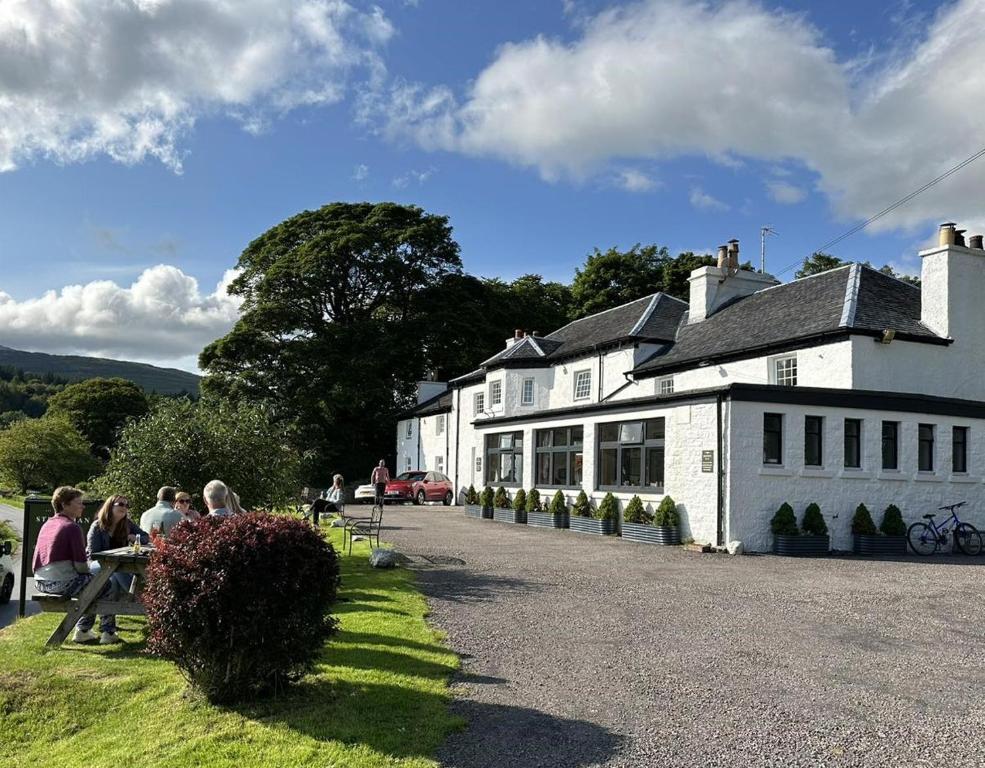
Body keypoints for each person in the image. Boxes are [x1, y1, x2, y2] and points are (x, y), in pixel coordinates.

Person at [32, 486, 110, 644]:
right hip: (61, 583)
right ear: (64, 504)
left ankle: (85, 630)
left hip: (41, 582)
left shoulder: (47, 524)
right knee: (104, 584)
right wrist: (90, 572)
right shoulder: (72, 527)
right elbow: (81, 566)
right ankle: (105, 631)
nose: (83, 506)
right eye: (78, 503)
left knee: (92, 587)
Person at [84, 495, 148, 644]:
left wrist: (134, 536)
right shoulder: (97, 526)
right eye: (121, 504)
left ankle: (102, 631)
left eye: (127, 505)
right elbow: (93, 554)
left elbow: (146, 537)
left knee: (111, 583)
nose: (124, 507)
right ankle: (137, 596)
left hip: (113, 569)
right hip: (95, 565)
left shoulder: (127, 524)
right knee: (115, 573)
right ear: (110, 506)